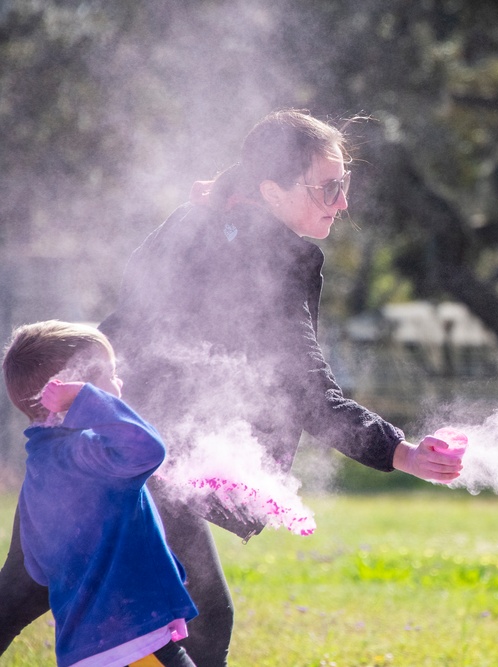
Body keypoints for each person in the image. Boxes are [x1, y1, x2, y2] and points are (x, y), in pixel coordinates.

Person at [0, 110, 464, 666]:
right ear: (271, 189)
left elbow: (133, 310)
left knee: (19, 592)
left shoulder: (192, 222)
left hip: (79, 440)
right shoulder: (278, 255)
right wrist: (398, 450)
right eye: (328, 187)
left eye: (345, 184)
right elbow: (304, 389)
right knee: (203, 619)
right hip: (144, 456)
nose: (342, 202)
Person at [2, 320, 198, 667]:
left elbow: (36, 566)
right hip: (135, 642)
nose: (118, 383)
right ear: (73, 389)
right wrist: (87, 400)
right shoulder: (90, 455)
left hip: (85, 650)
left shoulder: (42, 466)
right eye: (110, 374)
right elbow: (149, 448)